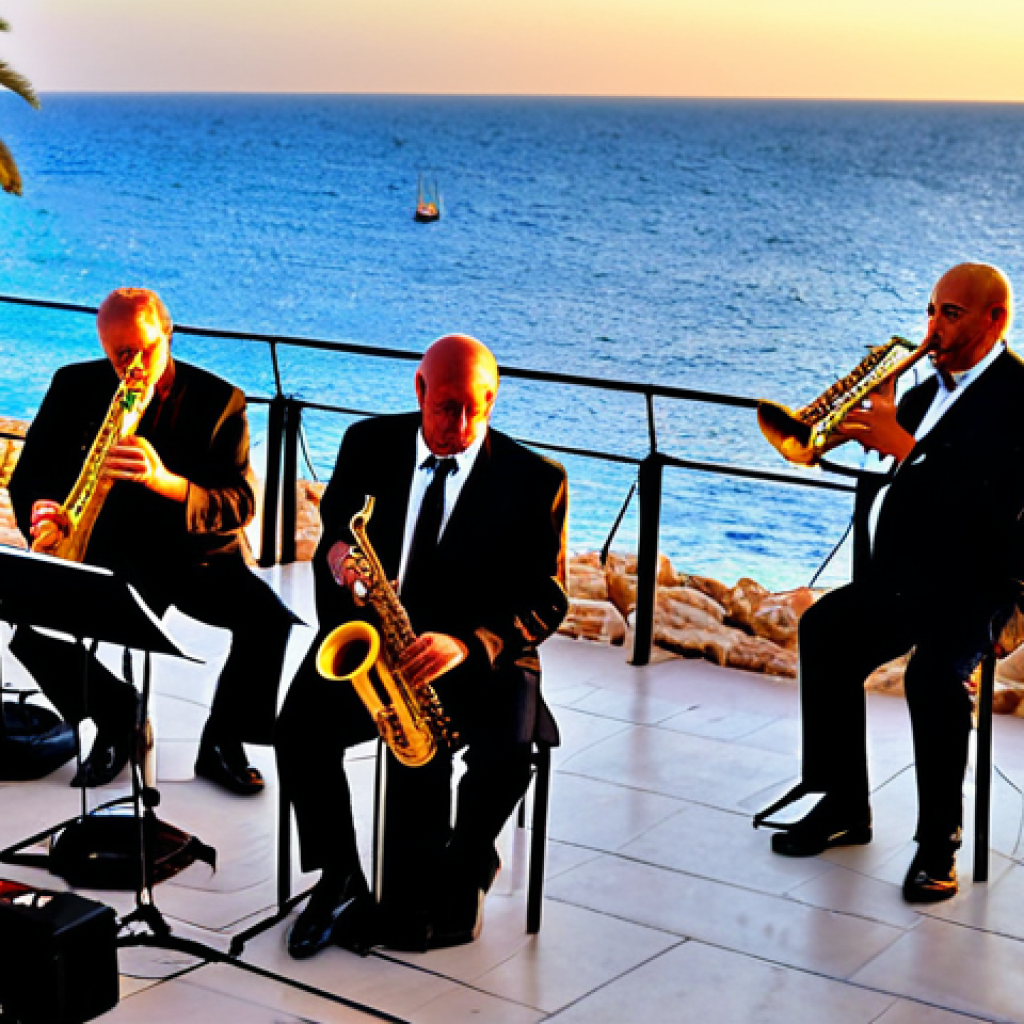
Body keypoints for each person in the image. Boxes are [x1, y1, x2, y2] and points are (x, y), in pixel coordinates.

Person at [275, 333, 568, 957]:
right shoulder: (367, 444)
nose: (458, 425)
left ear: (491, 401)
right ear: (419, 390)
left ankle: (465, 868)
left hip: (482, 652)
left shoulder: (535, 479)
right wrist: (337, 563)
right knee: (298, 727)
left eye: (474, 410)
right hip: (382, 646)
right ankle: (341, 878)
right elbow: (334, 531)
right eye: (444, 407)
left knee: (507, 756)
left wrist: (467, 642)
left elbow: (547, 601)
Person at [757, 262, 1024, 903]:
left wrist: (904, 445)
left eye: (950, 314)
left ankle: (940, 844)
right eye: (931, 311)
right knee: (825, 629)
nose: (933, 327)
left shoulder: (1020, 397)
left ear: (995, 319)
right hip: (906, 575)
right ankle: (844, 803)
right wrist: (829, 436)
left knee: (931, 676)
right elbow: (904, 468)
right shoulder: (922, 390)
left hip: (981, 585)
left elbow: (993, 504)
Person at [8, 287, 298, 795]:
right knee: (26, 625)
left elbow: (240, 505)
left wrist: (166, 482)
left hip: (194, 558)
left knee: (269, 622)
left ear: (168, 334)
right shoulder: (73, 384)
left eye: (143, 349)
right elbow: (30, 474)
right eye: (119, 354)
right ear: (103, 346)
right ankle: (116, 714)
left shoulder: (219, 400)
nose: (132, 365)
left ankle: (223, 742)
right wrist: (40, 507)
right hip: (109, 549)